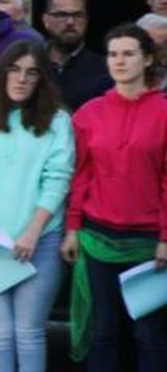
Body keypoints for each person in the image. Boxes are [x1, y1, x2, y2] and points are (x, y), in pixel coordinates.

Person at [0, 40, 74, 372]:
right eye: (15, 70)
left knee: (28, 331)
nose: (22, 79)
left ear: (41, 79)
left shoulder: (57, 122)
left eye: (32, 72)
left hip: (40, 240)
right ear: (3, 73)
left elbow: (57, 180)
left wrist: (32, 232)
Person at [61, 24, 167, 369]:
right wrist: (73, 227)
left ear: (148, 59)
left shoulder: (164, 113)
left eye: (129, 53)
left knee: (148, 335)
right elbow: (80, 176)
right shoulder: (90, 113)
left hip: (149, 241)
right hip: (98, 239)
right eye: (113, 54)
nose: (119, 61)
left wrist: (166, 237)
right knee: (103, 330)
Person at [42, 0, 111, 110]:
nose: (70, 22)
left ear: (86, 20)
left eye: (77, 15)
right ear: (46, 20)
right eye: (61, 15)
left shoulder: (105, 70)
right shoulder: (33, 64)